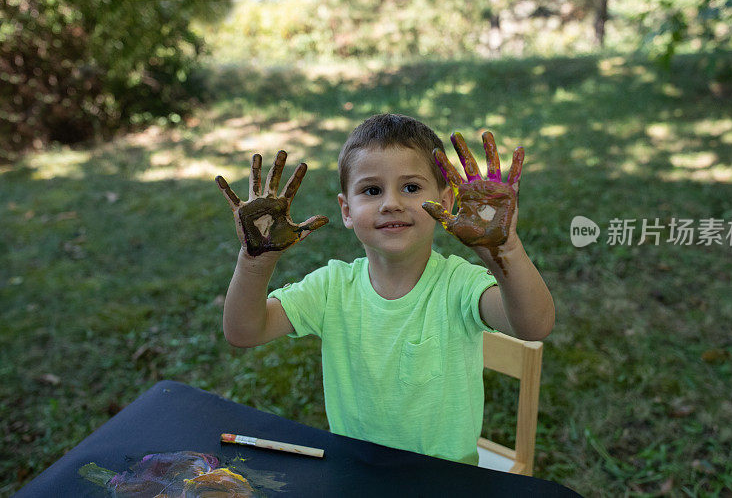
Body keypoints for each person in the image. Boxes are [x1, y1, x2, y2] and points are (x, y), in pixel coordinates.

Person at [214, 113, 554, 466]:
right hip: (357, 473)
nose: (391, 203)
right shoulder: (331, 288)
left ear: (446, 203)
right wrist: (255, 260)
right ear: (347, 210)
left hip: (446, 480)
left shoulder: (459, 284)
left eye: (410, 187)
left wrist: (505, 252)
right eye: (372, 190)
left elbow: (534, 325)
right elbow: (243, 331)